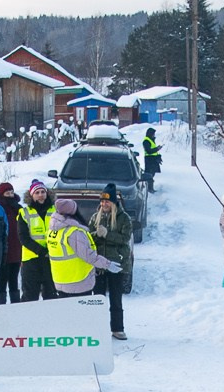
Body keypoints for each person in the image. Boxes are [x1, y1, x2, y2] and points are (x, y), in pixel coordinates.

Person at [45, 196, 123, 299]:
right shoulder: (74, 232)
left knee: (67, 313)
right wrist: (108, 264)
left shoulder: (53, 231)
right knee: (79, 314)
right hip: (78, 281)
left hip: (60, 280)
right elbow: (88, 255)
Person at [91, 183, 133, 339]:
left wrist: (108, 234)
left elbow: (125, 238)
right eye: (102, 201)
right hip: (99, 263)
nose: (104, 204)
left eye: (107, 201)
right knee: (98, 298)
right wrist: (97, 233)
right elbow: (89, 237)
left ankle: (117, 328)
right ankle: (98, 329)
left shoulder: (124, 219)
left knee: (116, 298)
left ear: (114, 202)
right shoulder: (96, 217)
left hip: (116, 263)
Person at [19, 179, 57, 300]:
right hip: (31, 260)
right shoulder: (24, 212)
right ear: (31, 195)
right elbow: (23, 237)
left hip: (51, 258)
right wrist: (40, 250)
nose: (40, 195)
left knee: (51, 294)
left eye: (42, 192)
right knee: (29, 296)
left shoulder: (55, 211)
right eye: (37, 193)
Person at [0, 180, 24, 303]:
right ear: (2, 194)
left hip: (16, 247)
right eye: (7, 193)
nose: (10, 195)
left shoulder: (18, 208)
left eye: (12, 192)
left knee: (14, 278)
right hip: (3, 249)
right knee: (2, 277)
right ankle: (2, 303)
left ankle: (15, 302)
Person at [141, 125, 162, 191]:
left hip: (153, 159)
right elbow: (149, 151)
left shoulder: (151, 140)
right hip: (149, 159)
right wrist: (157, 149)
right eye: (153, 134)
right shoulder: (146, 141)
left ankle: (150, 187)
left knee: (152, 173)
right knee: (149, 174)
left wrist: (158, 155)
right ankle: (149, 188)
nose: (154, 135)